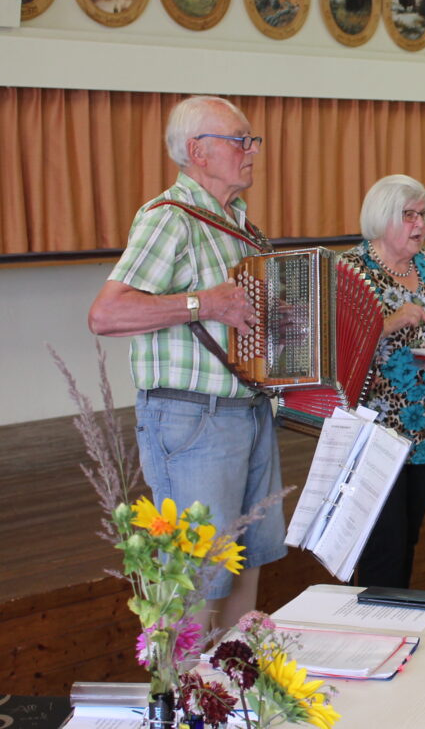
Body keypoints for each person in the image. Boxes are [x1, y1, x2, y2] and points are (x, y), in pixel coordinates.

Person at [88, 95, 284, 632]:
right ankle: (183, 682)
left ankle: (235, 677)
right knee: (196, 580)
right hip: (193, 418)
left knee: (244, 564)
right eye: (239, 140)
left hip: (249, 411)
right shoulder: (170, 219)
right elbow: (106, 314)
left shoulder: (242, 227)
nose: (252, 150)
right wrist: (204, 303)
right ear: (198, 152)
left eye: (252, 140)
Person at [341, 174, 425, 588]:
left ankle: (398, 619)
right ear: (382, 216)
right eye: (408, 215)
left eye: (424, 214)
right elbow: (334, 345)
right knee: (382, 546)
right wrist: (389, 322)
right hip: (376, 430)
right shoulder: (352, 268)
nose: (419, 224)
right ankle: (372, 622)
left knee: (409, 538)